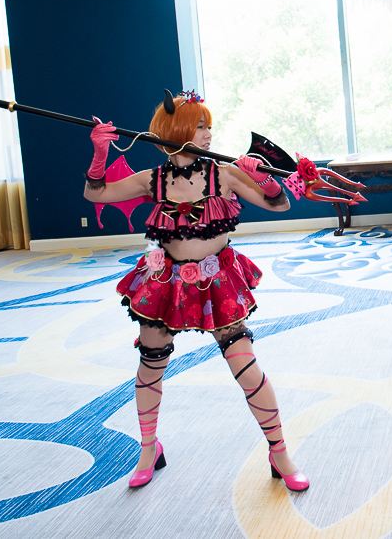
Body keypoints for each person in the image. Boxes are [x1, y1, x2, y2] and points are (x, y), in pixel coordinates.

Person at [83, 90, 309, 491]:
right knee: (151, 365)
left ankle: (279, 453)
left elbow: (279, 206)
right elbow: (96, 193)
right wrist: (100, 154)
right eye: (200, 126)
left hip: (217, 281)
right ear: (176, 131)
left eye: (209, 127)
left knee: (246, 366)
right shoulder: (152, 180)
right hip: (165, 283)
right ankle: (148, 449)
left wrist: (262, 180)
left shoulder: (224, 174)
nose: (208, 134)